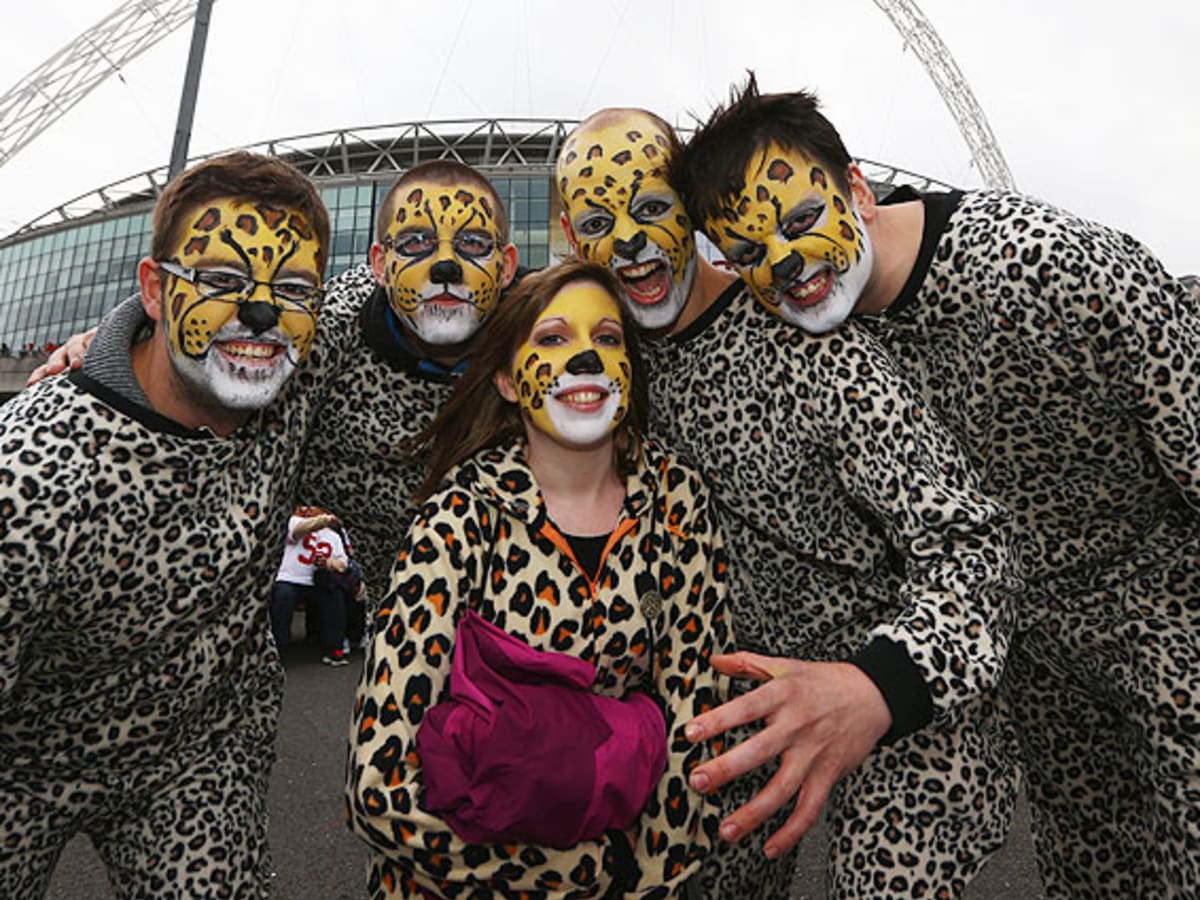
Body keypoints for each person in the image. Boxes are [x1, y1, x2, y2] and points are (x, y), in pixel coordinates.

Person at [670, 74, 1200, 898]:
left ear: (855, 189)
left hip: (1172, 618)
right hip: (1038, 671)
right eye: (749, 254)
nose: (788, 265)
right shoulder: (814, 342)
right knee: (1101, 877)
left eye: (804, 221)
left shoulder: (1046, 266)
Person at [557, 108, 1022, 897]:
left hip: (895, 686)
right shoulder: (603, 366)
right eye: (602, 222)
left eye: (653, 210)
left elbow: (972, 546)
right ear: (572, 236)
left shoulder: (805, 337)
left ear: (692, 213)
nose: (632, 243)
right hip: (735, 702)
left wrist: (877, 686)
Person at [346, 259, 733, 898]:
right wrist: (575, 876)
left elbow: (698, 712)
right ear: (504, 378)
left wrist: (647, 883)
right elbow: (379, 785)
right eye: (553, 339)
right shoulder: (455, 519)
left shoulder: (677, 498)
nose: (585, 358)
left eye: (607, 339)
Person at [0, 152, 329, 898]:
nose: (261, 313)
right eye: (219, 282)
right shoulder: (28, 470)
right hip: (16, 766)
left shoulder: (293, 383)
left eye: (294, 290)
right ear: (154, 289)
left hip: (193, 757)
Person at [32, 160, 524, 609]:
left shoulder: (548, 336)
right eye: (415, 243)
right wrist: (133, 336)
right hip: (409, 643)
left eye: (474, 246)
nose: (445, 266)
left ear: (505, 266)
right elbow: (235, 314)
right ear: (379, 264)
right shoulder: (321, 340)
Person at [271, 506, 351, 666]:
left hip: (316, 582)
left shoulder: (333, 536)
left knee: (334, 593)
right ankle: (279, 647)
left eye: (313, 506)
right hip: (290, 579)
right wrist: (324, 520)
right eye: (303, 507)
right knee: (283, 595)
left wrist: (328, 563)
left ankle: (334, 648)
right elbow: (298, 531)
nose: (307, 509)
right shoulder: (294, 522)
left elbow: (343, 563)